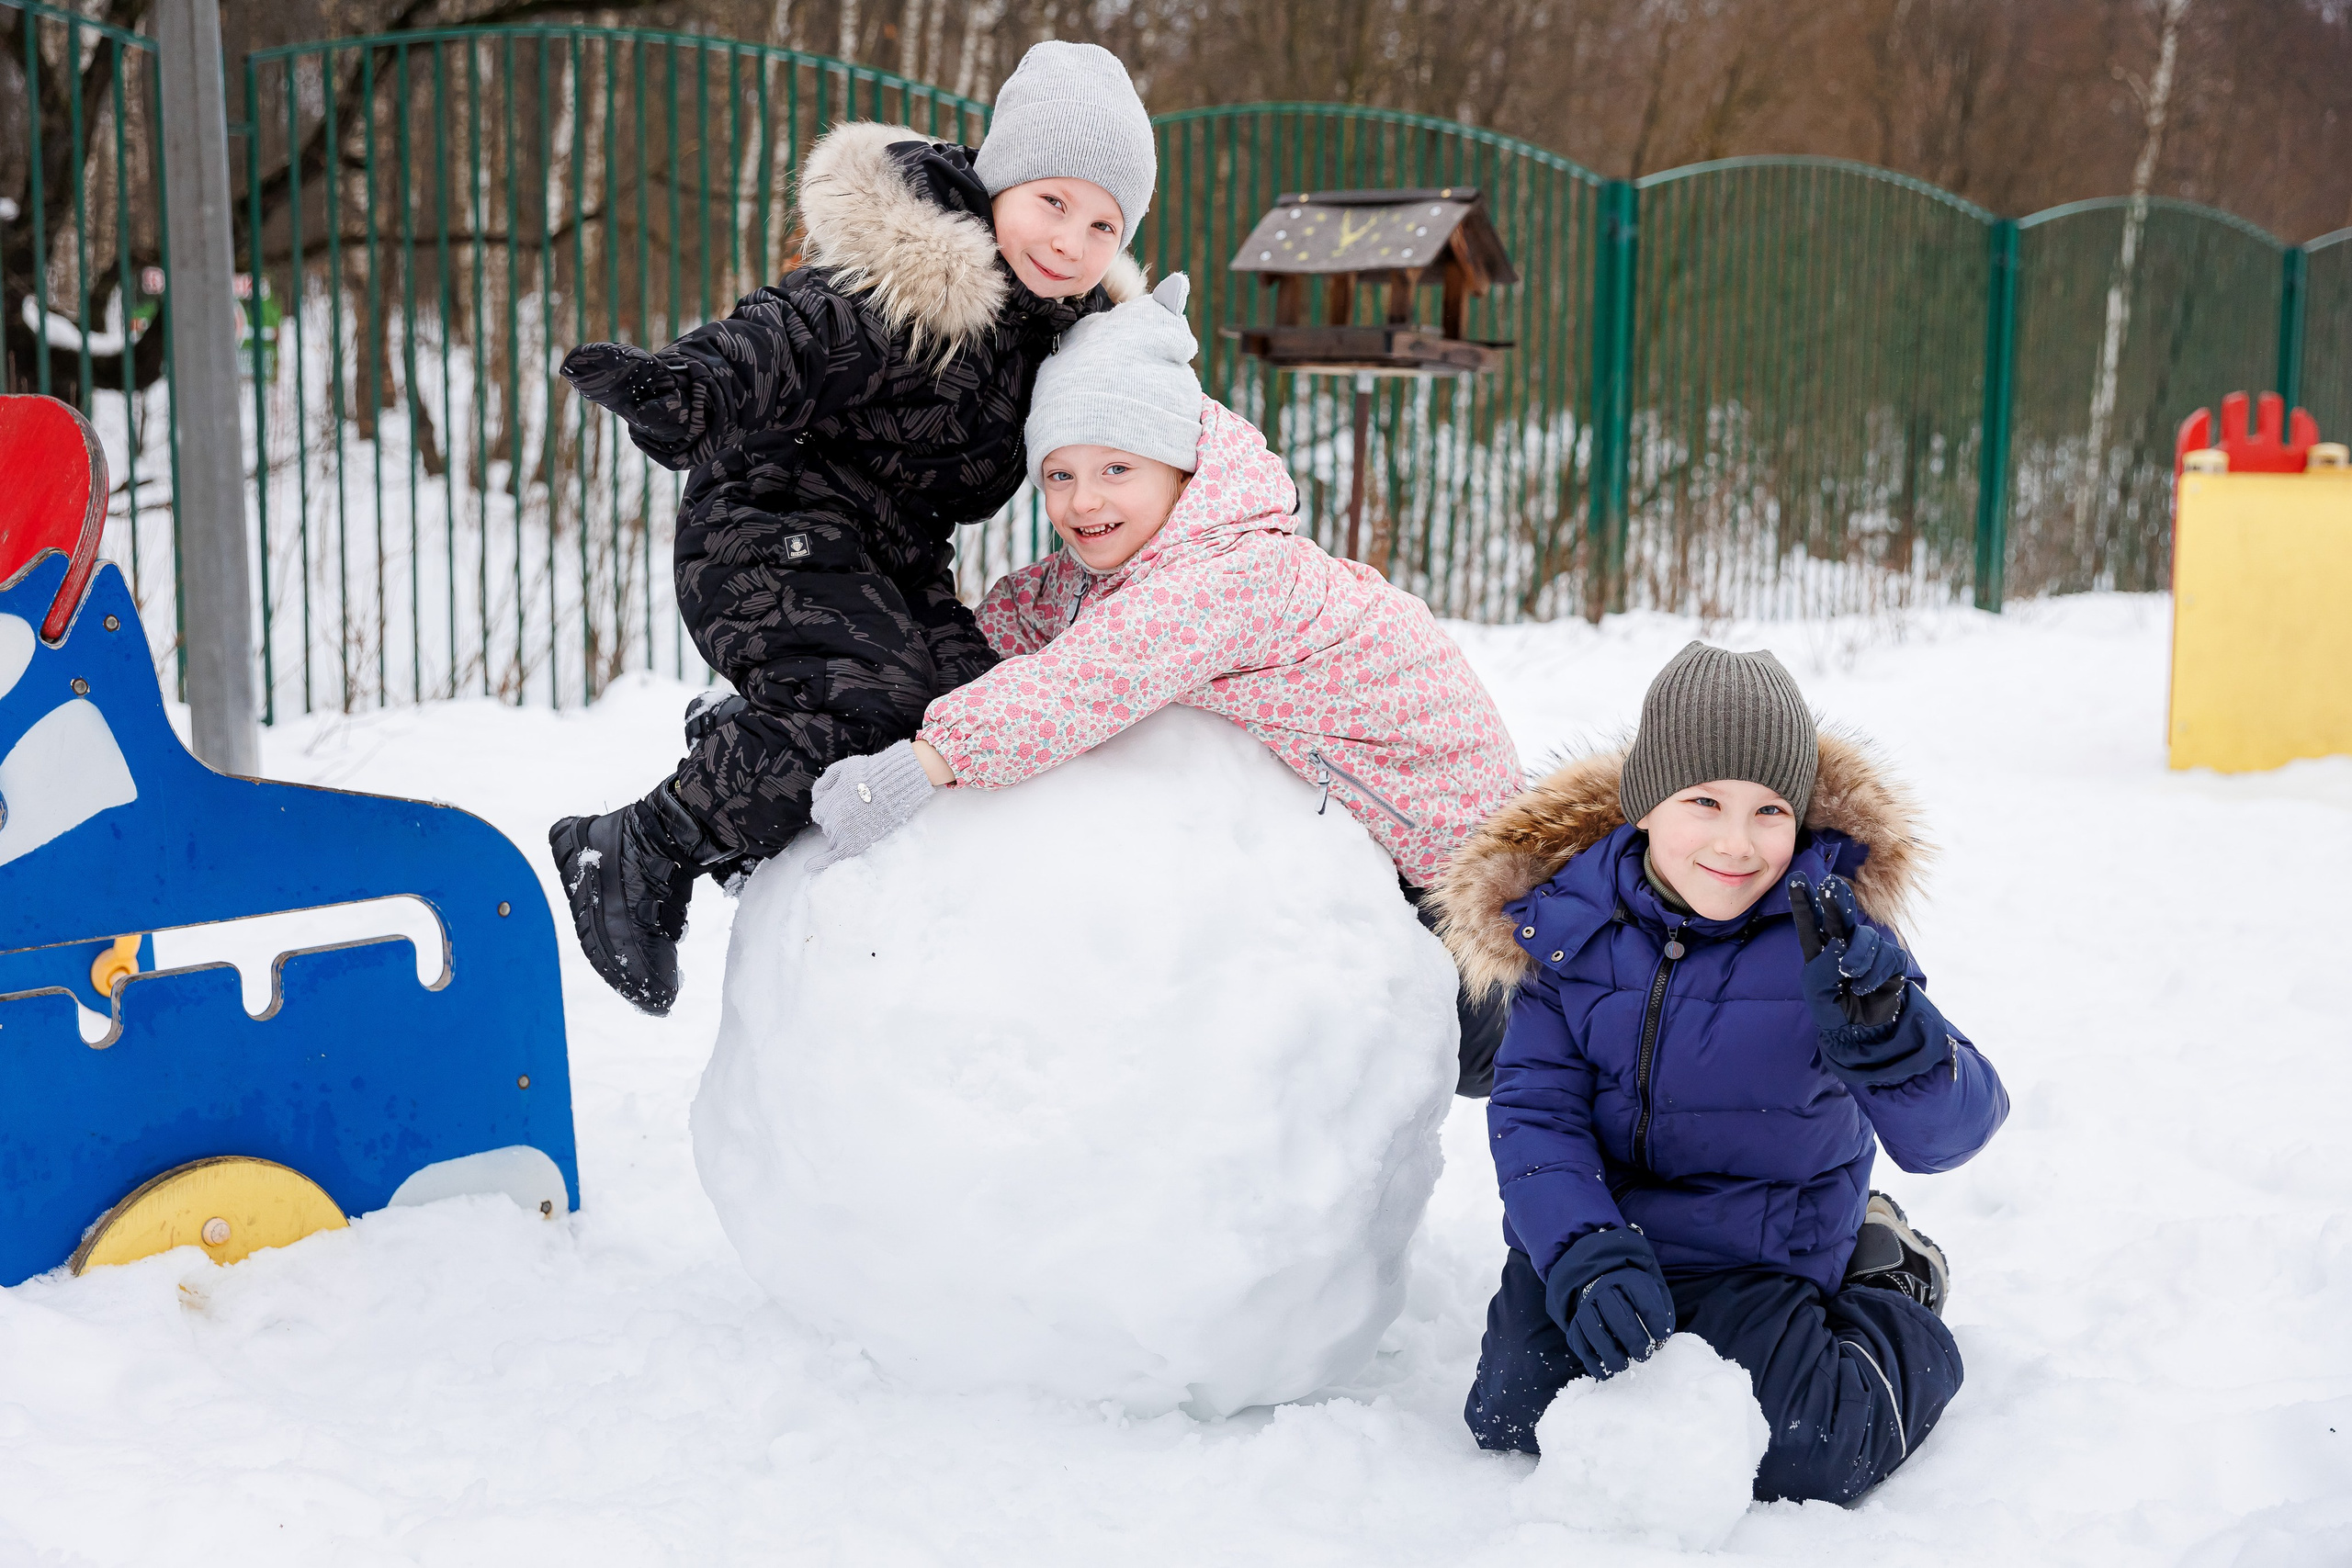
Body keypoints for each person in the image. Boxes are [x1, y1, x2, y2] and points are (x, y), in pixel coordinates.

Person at [801, 273, 1526, 1096]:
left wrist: (922, 763)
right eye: (1060, 476)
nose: (1085, 501)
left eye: (1116, 467)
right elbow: (1011, 624)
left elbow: (1080, 683)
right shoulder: (1138, 555)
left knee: (1499, 1059)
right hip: (1407, 836)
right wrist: (846, 680)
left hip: (1457, 865)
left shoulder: (1224, 573)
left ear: (1181, 471)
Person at [548, 40, 1157, 1014]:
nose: (1072, 240)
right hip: (765, 526)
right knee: (863, 704)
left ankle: (750, 744)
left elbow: (1147, 429)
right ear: (999, 178)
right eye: (1053, 201)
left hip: (892, 559)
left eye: (1102, 222)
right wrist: (689, 391)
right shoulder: (916, 274)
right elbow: (786, 337)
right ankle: (634, 848)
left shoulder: (1065, 336)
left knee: (974, 715)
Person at [1429, 642, 2008, 1502]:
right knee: (1513, 1415)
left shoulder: (1833, 936)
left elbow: (1952, 1130)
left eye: (1770, 809)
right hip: (1607, 1240)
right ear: (1646, 805)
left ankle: (1889, 1279)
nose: (1738, 843)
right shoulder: (1570, 927)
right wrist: (1581, 1248)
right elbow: (1535, 1114)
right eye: (1704, 800)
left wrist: (1900, 1047)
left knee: (1811, 1451)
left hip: (1761, 1250)